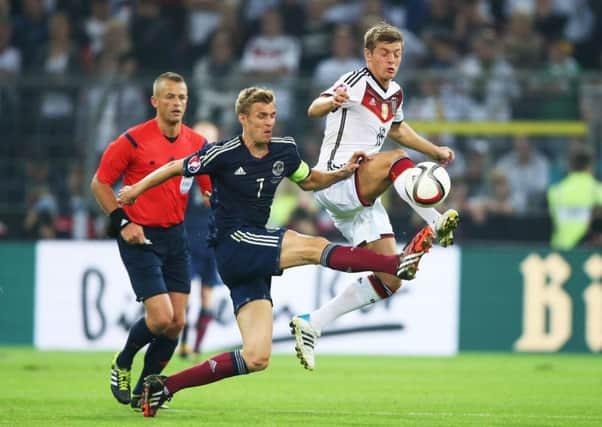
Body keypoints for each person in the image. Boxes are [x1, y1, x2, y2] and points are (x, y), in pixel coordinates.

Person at [116, 87, 434, 417]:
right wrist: (136, 189)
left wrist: (342, 173)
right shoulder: (222, 153)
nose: (269, 123)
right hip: (233, 243)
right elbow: (175, 167)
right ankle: (396, 263)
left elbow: (309, 181)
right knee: (311, 246)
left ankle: (164, 387)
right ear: (243, 119)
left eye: (272, 116)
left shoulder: (284, 152)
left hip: (251, 254)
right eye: (261, 117)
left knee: (257, 357)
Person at [289, 22, 460, 371]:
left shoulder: (395, 92)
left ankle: (313, 323)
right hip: (337, 178)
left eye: (397, 54)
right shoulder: (354, 81)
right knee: (396, 159)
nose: (391, 60)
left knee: (392, 278)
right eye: (384, 53)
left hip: (360, 197)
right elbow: (314, 107)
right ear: (368, 54)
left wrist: (434, 151)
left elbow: (397, 128)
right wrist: (329, 101)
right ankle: (435, 220)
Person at [90, 72, 212, 409]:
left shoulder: (197, 143)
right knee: (160, 318)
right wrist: (122, 222)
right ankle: (123, 361)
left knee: (177, 324)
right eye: (170, 97)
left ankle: (146, 388)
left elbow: (207, 183)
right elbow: (100, 184)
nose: (176, 103)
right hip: (139, 234)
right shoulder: (131, 141)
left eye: (182, 97)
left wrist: (212, 196)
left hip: (176, 235)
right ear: (155, 101)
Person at [179, 121, 223, 359]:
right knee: (185, 290)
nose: (206, 144)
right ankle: (184, 342)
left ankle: (197, 346)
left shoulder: (222, 169)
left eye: (210, 139)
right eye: (202, 138)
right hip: (188, 237)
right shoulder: (185, 167)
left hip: (212, 238)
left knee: (207, 292)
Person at [547, 144, 602, 249]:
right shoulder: (598, 191)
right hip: (589, 253)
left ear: (569, 166)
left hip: (559, 253)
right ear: (590, 166)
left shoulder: (555, 192)